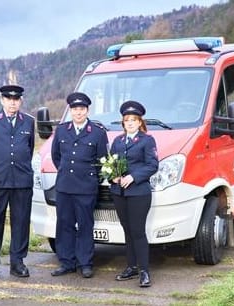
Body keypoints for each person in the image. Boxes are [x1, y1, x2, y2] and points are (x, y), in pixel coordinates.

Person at [50, 92, 108, 278]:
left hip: (86, 187)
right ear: (70, 111)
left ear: (87, 110)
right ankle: (66, 262)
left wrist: (90, 178)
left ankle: (85, 263)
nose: (78, 112)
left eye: (81, 109)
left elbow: (103, 161)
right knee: (64, 224)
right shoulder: (61, 130)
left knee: (84, 225)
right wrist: (66, 171)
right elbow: (56, 156)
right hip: (65, 186)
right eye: (75, 109)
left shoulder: (97, 133)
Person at [0, 85, 35, 279]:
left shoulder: (29, 122)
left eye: (16, 99)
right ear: (2, 100)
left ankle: (17, 262)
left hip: (21, 181)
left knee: (21, 222)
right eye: (8, 99)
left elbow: (29, 147)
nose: (12, 102)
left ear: (20, 101)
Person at [109, 101, 158, 287]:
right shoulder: (118, 141)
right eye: (126, 120)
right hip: (119, 192)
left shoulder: (147, 140)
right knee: (127, 231)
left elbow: (152, 165)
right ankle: (131, 267)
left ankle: (144, 271)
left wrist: (134, 177)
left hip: (138, 193)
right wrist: (112, 176)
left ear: (139, 122)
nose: (129, 123)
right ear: (123, 123)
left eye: (133, 120)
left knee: (138, 231)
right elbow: (110, 163)